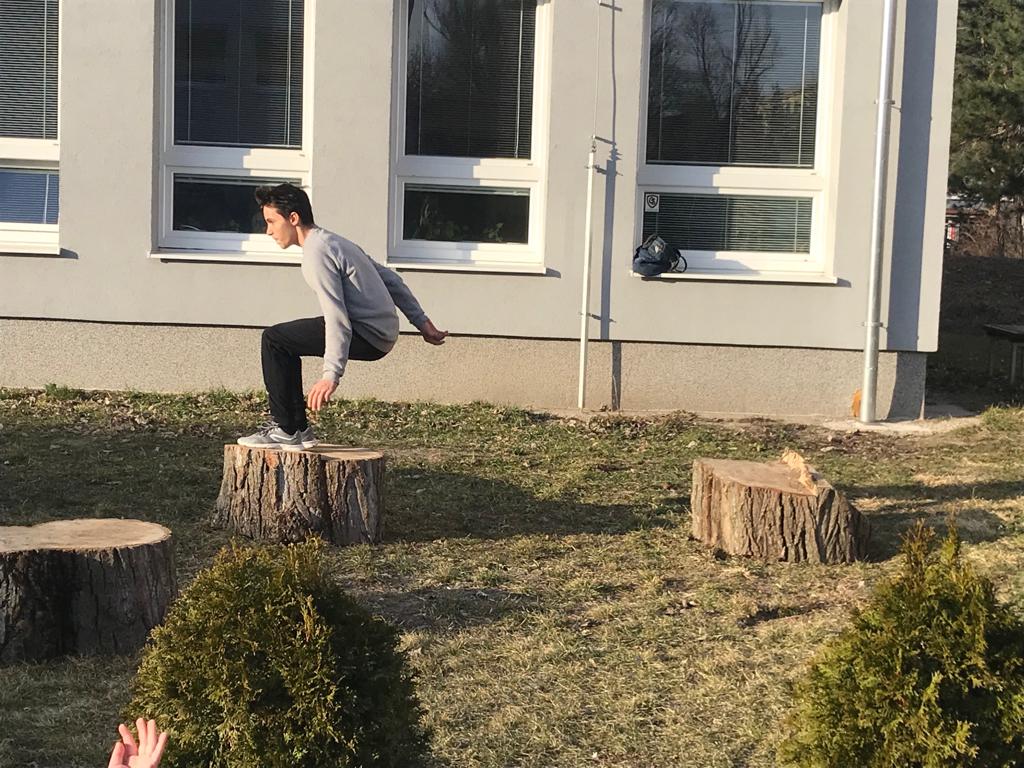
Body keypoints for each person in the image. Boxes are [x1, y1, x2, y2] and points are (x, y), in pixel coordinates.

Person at [237, 183, 447, 449]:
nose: (268, 231)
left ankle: (286, 428)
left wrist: (331, 375)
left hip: (366, 335)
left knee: (273, 340)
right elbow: (391, 280)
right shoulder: (334, 241)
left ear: (293, 218)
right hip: (381, 332)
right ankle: (297, 429)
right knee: (284, 341)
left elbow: (337, 317)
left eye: (271, 222)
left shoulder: (316, 253)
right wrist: (423, 323)